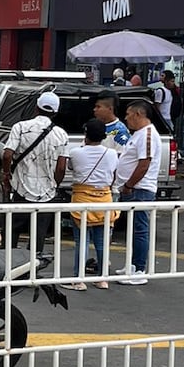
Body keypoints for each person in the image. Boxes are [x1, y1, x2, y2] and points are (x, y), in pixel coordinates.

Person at [2, 91, 69, 260]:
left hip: (21, 189)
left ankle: (7, 264)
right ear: (55, 112)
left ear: (36, 108)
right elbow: (61, 167)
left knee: (12, 229)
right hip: (46, 193)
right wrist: (55, 184)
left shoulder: (20, 127)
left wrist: (6, 174)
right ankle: (31, 267)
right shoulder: (61, 134)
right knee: (38, 234)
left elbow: (7, 155)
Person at [113, 99, 164, 282]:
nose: (126, 118)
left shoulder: (147, 134)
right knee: (134, 229)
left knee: (140, 229)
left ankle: (139, 270)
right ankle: (133, 265)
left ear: (138, 114)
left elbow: (144, 163)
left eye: (128, 114)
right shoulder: (139, 134)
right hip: (134, 189)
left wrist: (129, 185)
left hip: (140, 189)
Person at [65, 117, 114, 289]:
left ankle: (79, 280)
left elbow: (71, 167)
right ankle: (102, 279)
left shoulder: (75, 152)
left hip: (82, 199)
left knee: (82, 241)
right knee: (101, 242)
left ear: (86, 135)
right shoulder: (111, 153)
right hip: (105, 199)